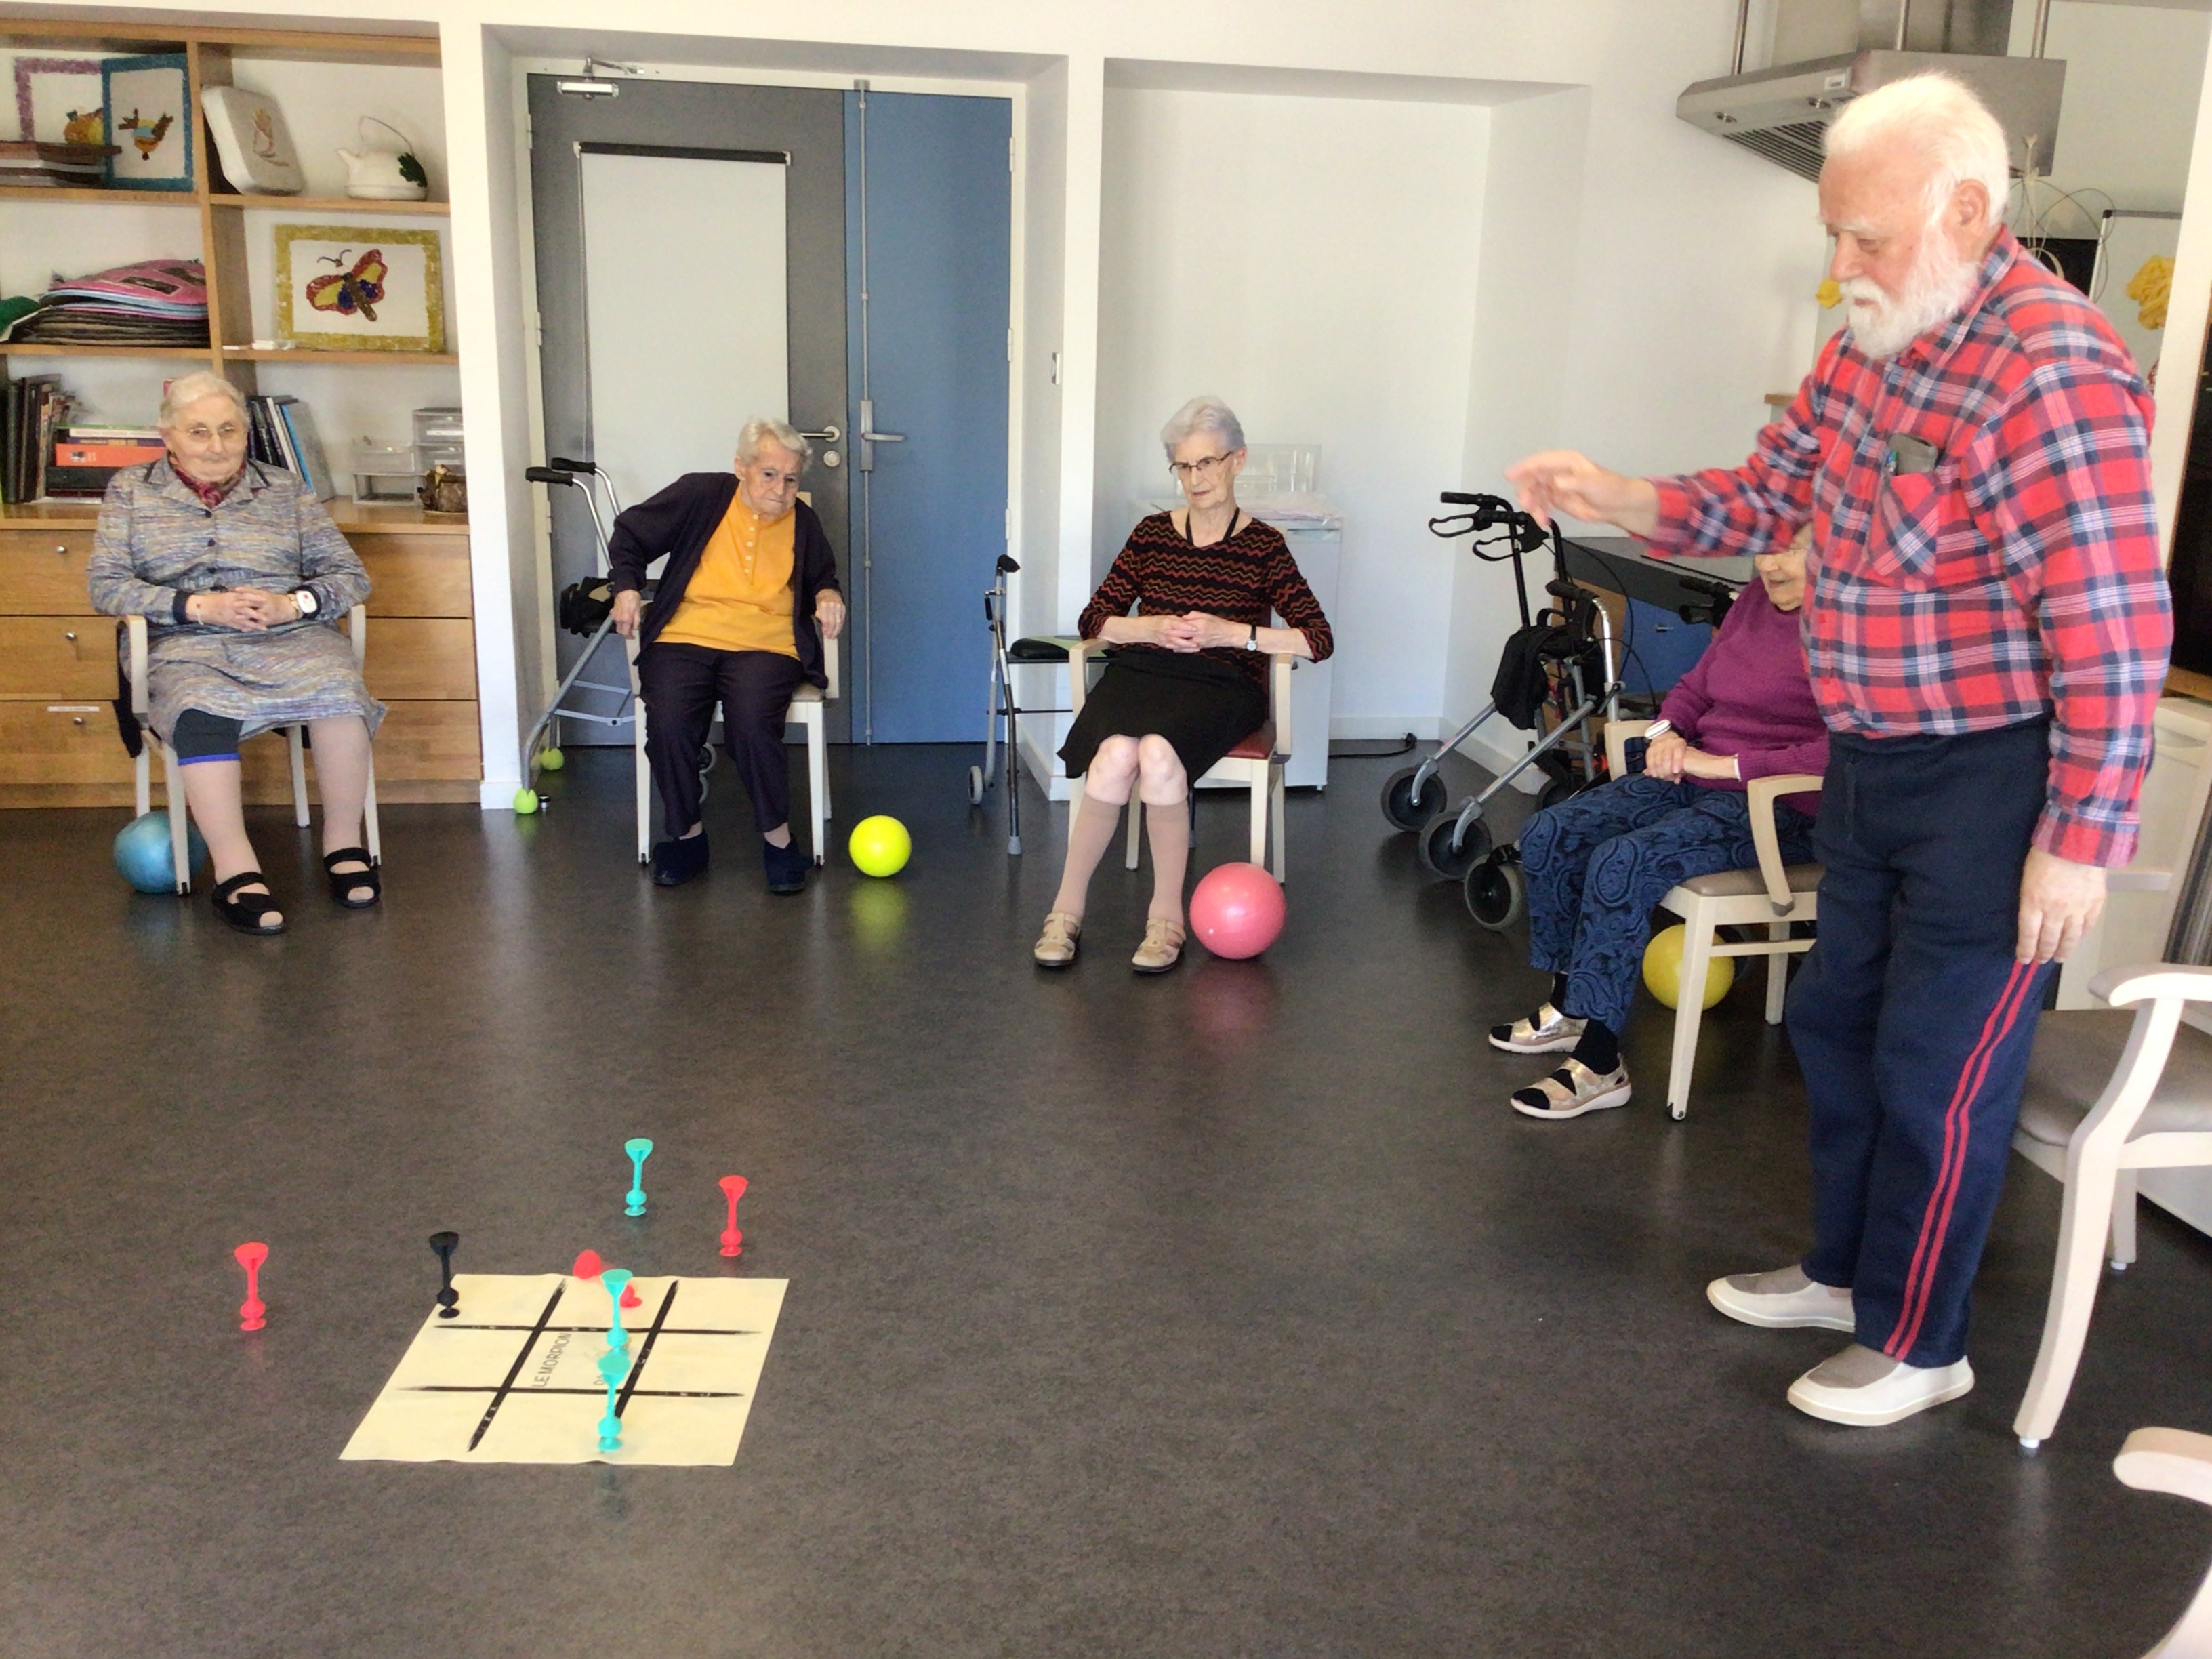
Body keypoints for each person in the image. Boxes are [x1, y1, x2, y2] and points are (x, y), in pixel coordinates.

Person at [1507, 73, 2169, 1427]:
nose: (1842, 265)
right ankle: (1844, 1275)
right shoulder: (1872, 343)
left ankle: (1923, 1345)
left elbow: (2112, 627)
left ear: (1966, 211)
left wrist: (2077, 842)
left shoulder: (2050, 367)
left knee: (1937, 1062)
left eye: (1866, 235)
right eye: (1833, 234)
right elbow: (1768, 493)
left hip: (1991, 780)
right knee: (1836, 1023)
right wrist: (1625, 495)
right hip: (1865, 761)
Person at [1494, 526, 1826, 1120]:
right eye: (1765, 548)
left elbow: (1846, 749)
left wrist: (1721, 764)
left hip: (1776, 808)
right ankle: (1572, 1007)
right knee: (1551, 832)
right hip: (1693, 778)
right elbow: (1696, 687)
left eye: (1791, 550)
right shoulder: (1755, 601)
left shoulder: (1858, 624)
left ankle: (1601, 1066)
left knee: (1624, 861)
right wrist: (1667, 733)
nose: (1770, 565)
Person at [1036, 396, 1332, 973]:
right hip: (1144, 672)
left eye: (1207, 463)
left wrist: (1234, 634)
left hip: (1223, 684)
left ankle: (1165, 918)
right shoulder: (1151, 534)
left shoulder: (1265, 546)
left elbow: (1317, 638)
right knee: (1114, 754)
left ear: (1237, 461)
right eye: (1184, 466)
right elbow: (1093, 620)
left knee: (1156, 753)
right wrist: (1148, 627)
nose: (1195, 478)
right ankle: (1065, 912)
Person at [87, 371, 383, 935]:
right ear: (168, 435)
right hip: (184, 641)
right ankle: (235, 871)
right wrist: (197, 606)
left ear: (246, 433)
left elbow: (350, 576)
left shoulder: (284, 489)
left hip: (289, 635)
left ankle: (345, 846)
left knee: (339, 692)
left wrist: (291, 604)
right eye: (198, 431)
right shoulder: (132, 490)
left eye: (229, 430)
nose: (216, 445)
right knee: (200, 707)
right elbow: (106, 586)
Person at [609, 418, 845, 893]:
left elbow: (824, 577)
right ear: (741, 467)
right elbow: (631, 535)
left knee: (753, 722)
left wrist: (827, 595)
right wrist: (627, 587)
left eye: (791, 479)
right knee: (670, 722)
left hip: (766, 643)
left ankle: (779, 842)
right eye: (769, 475)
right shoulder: (702, 495)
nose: (781, 490)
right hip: (685, 635)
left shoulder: (803, 521)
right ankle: (687, 838)